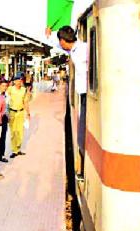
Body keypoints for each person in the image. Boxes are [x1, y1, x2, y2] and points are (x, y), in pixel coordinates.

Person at [46, 25, 87, 171]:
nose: (60, 44)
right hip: (82, 93)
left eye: (60, 41)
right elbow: (56, 44)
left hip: (88, 94)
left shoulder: (85, 49)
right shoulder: (72, 49)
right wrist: (49, 35)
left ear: (64, 40)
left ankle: (82, 161)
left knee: (83, 130)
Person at [7, 74, 31, 158]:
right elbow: (6, 100)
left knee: (20, 132)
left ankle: (18, 148)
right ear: (14, 81)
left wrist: (28, 113)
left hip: (21, 112)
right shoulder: (10, 89)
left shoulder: (24, 90)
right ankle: (14, 151)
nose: (19, 82)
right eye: (17, 80)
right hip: (12, 113)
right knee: (13, 132)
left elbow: (26, 102)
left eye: (20, 80)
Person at [0, 79, 9, 163]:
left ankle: (1, 155)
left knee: (3, 137)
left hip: (4, 118)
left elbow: (8, 107)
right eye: (3, 86)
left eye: (6, 86)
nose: (4, 88)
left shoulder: (7, 96)